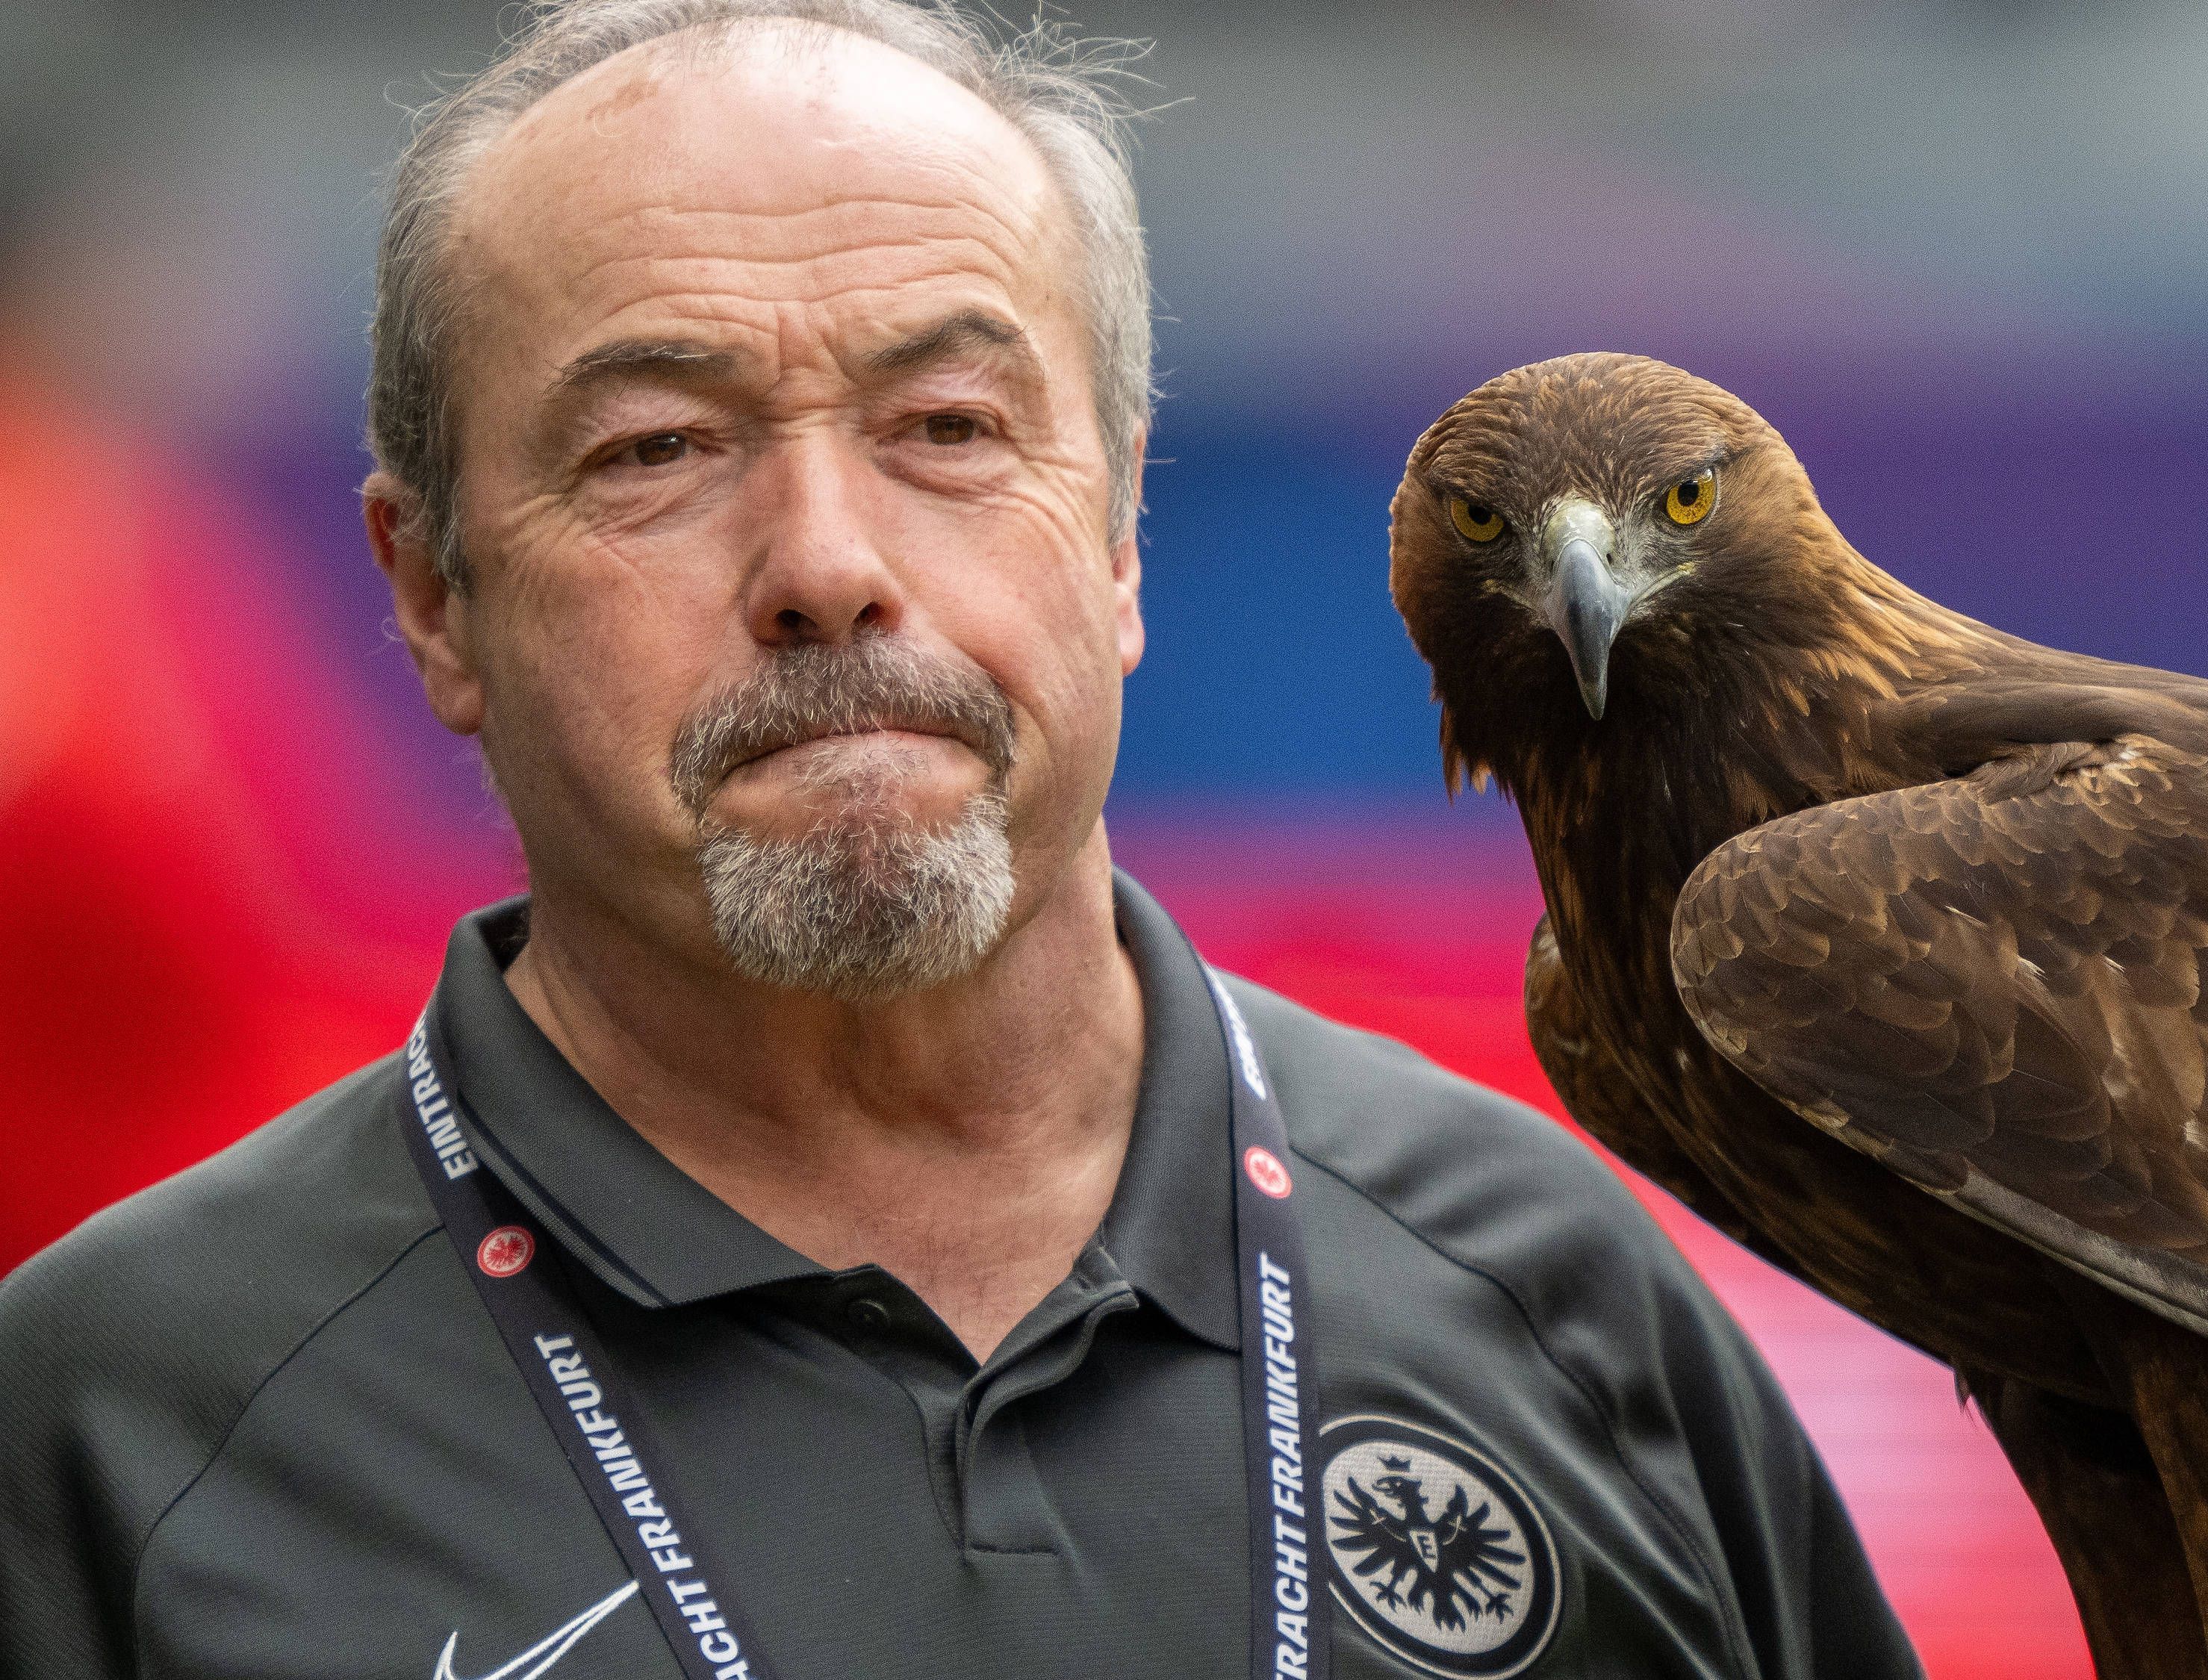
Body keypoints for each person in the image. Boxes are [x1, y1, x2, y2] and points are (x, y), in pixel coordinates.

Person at [0, 4, 1921, 1677]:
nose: (827, 566)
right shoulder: (111, 1426)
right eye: (656, 450)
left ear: (1116, 540)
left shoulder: (1553, 1299)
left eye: (945, 423)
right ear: (433, 598)